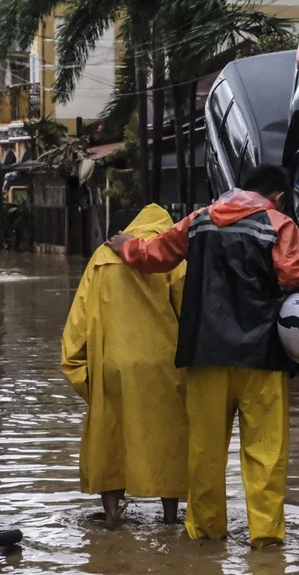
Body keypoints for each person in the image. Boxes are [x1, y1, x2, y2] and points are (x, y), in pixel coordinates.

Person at [108, 164, 299, 548]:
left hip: (205, 353)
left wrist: (125, 246)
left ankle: (206, 536)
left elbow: (156, 255)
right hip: (262, 356)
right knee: (265, 452)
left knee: (205, 452)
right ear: (278, 196)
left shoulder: (198, 221)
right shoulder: (278, 224)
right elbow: (294, 275)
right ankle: (266, 541)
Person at [62, 205, 189, 527]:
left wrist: (82, 375)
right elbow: (190, 315)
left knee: (110, 440)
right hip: (164, 365)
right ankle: (171, 518)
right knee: (168, 440)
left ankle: (112, 516)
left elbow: (76, 326)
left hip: (111, 365)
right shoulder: (173, 259)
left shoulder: (101, 259)